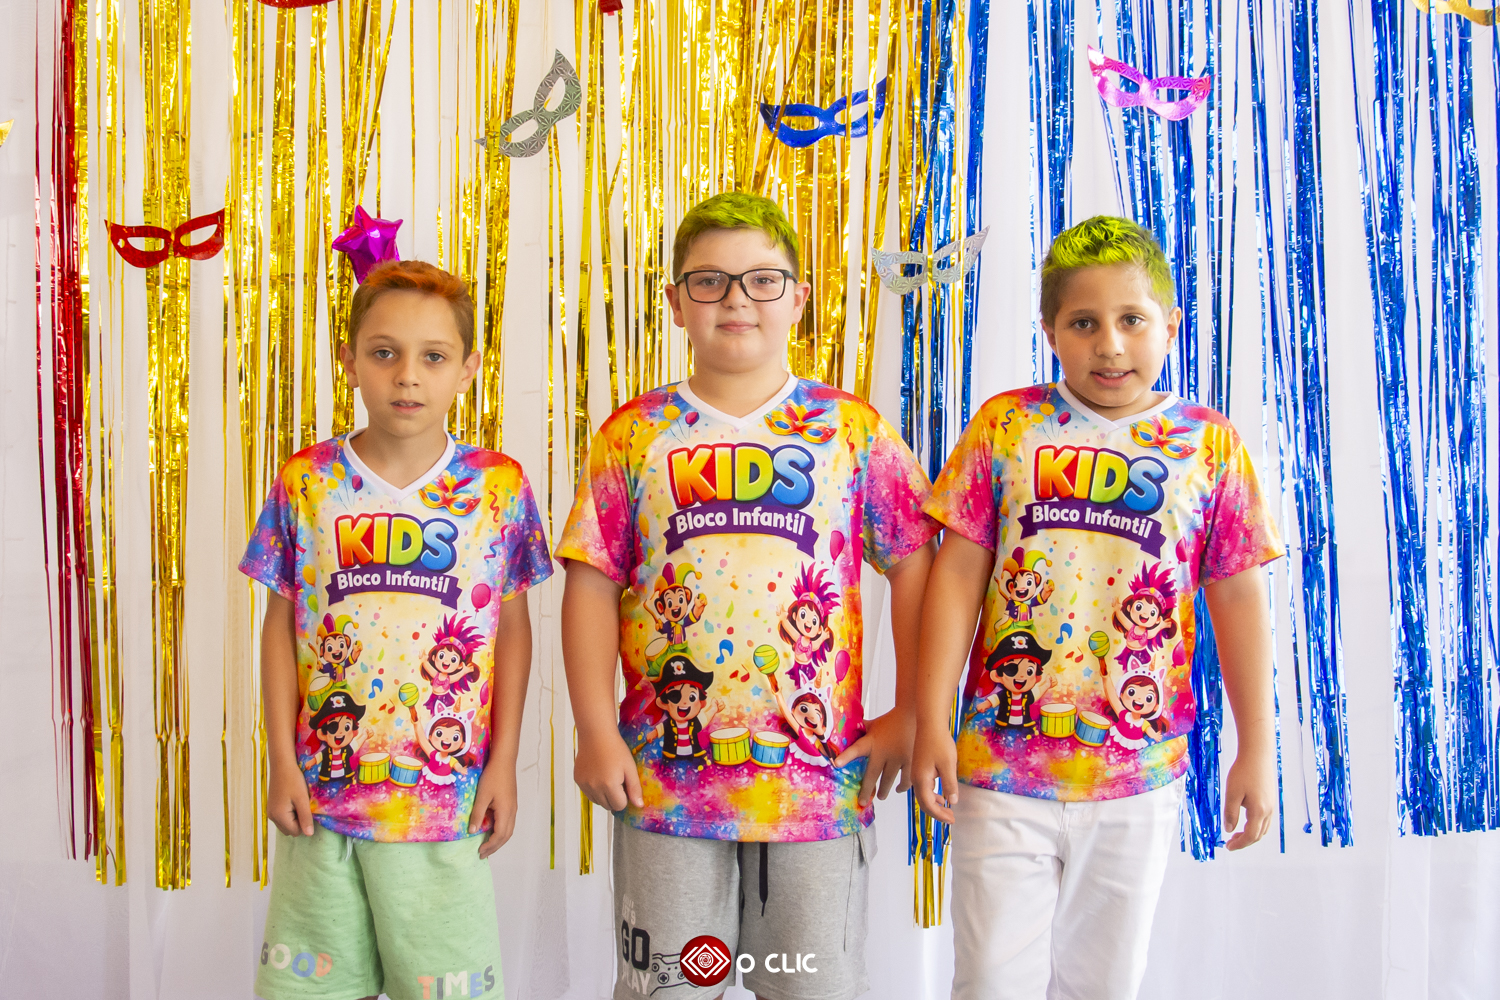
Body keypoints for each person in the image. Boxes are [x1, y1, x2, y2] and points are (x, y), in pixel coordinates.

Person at [556, 192, 937, 1000]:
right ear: (674, 302)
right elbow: (591, 580)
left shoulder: (851, 432)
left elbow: (916, 563)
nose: (736, 300)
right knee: (666, 990)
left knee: (813, 990)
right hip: (665, 789)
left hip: (818, 789)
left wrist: (911, 710)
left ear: (799, 298)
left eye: (763, 280)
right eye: (710, 281)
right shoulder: (634, 436)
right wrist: (593, 728)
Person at [912, 216, 1284, 1000]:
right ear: (1049, 331)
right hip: (1003, 767)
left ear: (1171, 325)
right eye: (1084, 323)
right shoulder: (1007, 428)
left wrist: (1257, 746)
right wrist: (929, 719)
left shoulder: (1207, 445)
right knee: (989, 982)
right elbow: (957, 577)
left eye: (1131, 320)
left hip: (1136, 775)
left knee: (1105, 985)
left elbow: (1238, 595)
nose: (1110, 345)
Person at [242, 260, 553, 1000]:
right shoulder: (307, 482)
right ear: (348, 360)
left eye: (433, 356)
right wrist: (281, 760)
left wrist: (504, 761)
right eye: (384, 352)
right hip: (323, 803)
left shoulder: (497, 487)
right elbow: (280, 627)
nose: (407, 375)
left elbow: (512, 631)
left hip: (444, 803)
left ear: (468, 369)